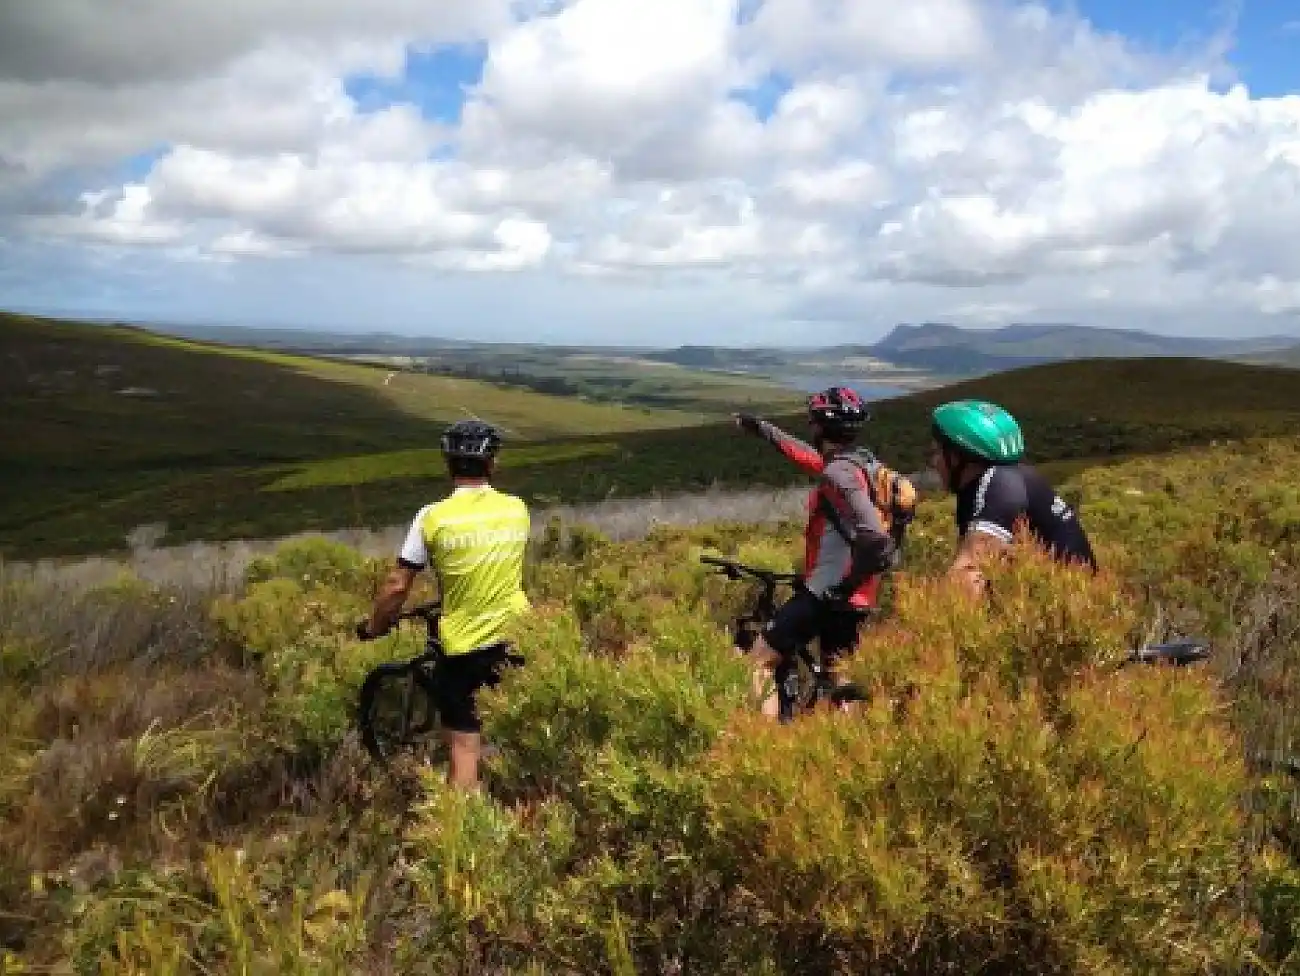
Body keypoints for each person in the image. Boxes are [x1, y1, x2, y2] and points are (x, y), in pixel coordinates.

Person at [355, 419, 531, 790]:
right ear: (492, 464)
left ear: (448, 464)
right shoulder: (516, 509)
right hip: (519, 634)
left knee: (464, 747)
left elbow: (397, 585)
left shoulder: (432, 517)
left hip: (466, 646)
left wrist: (375, 627)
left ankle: (458, 837)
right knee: (520, 726)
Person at [733, 386, 900, 718]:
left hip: (826, 594)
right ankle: (848, 755)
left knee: (759, 662)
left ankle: (768, 748)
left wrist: (845, 583)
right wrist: (764, 429)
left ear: (820, 426)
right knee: (841, 682)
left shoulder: (838, 472)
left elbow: (875, 537)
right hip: (859, 599)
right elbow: (806, 456)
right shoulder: (864, 467)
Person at [928, 399, 1098, 599]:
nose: (933, 462)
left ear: (957, 458)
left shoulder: (999, 488)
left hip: (1062, 608)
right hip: (1067, 598)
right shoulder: (1006, 478)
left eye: (938, 452)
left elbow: (966, 576)